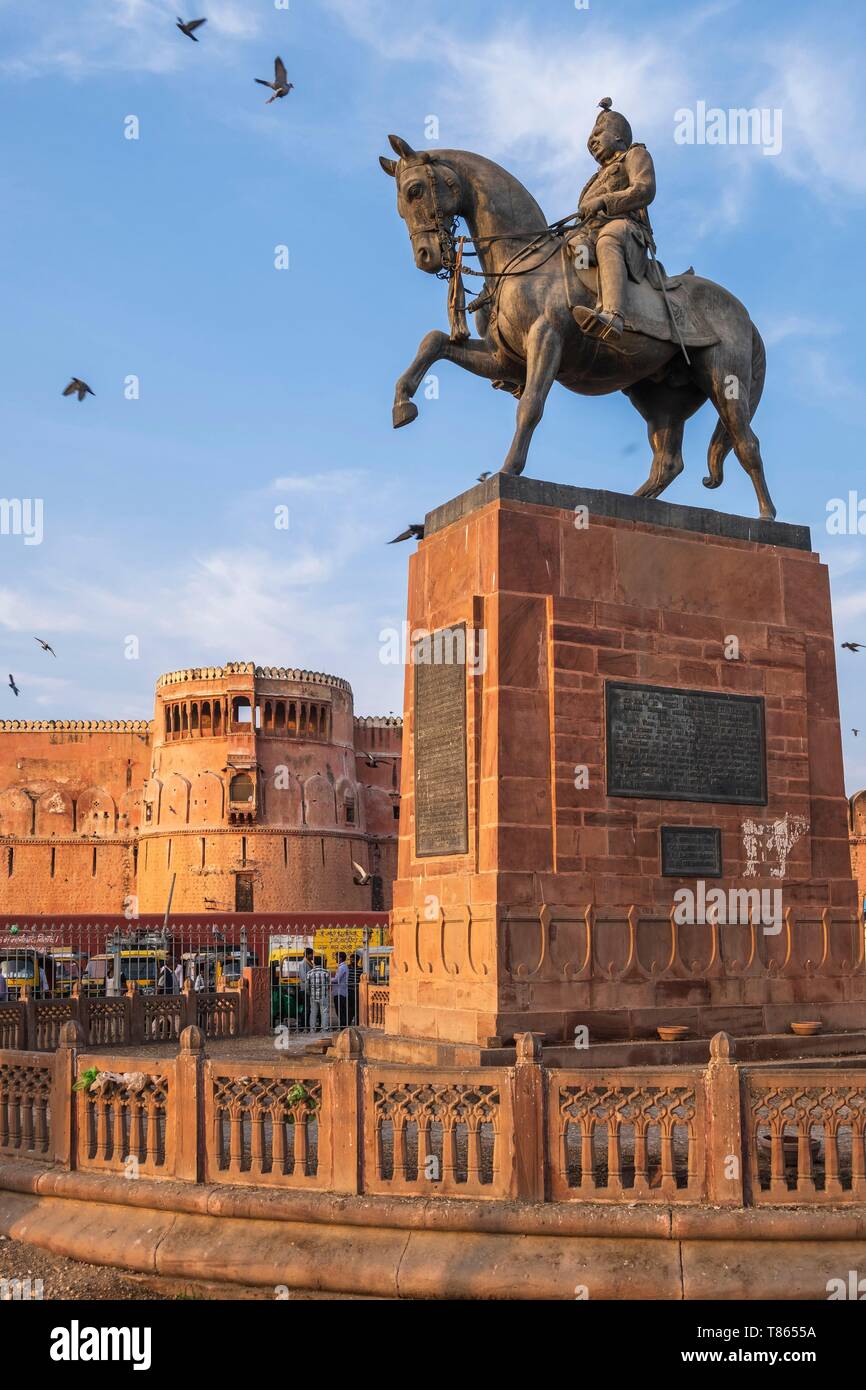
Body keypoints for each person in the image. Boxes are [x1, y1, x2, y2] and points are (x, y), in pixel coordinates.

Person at [567, 97, 656, 340]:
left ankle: (614, 316)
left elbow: (644, 189)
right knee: (566, 245)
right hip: (590, 234)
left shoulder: (635, 154)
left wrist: (605, 202)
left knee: (609, 238)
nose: (592, 141)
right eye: (589, 139)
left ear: (618, 137)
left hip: (627, 232)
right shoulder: (593, 179)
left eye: (598, 134)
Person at [307, 954, 332, 1033]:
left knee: (313, 1012)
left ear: (314, 962)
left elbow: (307, 985)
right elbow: (329, 984)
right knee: (324, 1012)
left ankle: (312, 1029)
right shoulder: (326, 972)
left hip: (313, 995)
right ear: (322, 962)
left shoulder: (310, 973)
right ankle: (324, 1029)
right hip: (323, 995)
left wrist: (310, 993)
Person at [297, 946, 315, 1030]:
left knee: (309, 1007)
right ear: (307, 955)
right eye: (311, 954)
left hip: (310, 988)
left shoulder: (309, 963)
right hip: (305, 988)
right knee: (306, 1008)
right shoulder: (303, 963)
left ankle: (307, 1024)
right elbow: (304, 977)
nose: (312, 956)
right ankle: (304, 1025)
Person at [346, 952, 363, 1026]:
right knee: (349, 1008)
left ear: (357, 961)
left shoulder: (360, 969)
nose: (352, 961)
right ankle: (348, 1023)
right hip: (348, 990)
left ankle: (358, 1022)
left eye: (354, 960)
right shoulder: (347, 968)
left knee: (357, 1007)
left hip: (356, 990)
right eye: (351, 960)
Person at [333, 951, 349, 1028]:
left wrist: (327, 979)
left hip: (340, 992)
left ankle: (343, 1026)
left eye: (336, 957)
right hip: (339, 991)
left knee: (340, 1011)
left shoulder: (342, 967)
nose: (335, 958)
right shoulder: (341, 967)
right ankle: (343, 1026)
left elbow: (337, 979)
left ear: (340, 958)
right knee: (340, 1010)